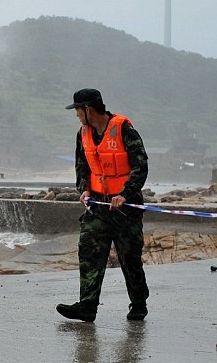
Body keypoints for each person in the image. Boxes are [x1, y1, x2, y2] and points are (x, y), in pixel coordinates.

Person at [57, 88, 150, 322]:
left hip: (125, 208)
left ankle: (138, 303)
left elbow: (141, 165)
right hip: (97, 206)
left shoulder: (124, 129)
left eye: (78, 110)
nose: (77, 115)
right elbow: (82, 166)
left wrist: (126, 194)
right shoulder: (83, 133)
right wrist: (84, 189)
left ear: (88, 109)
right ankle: (87, 307)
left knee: (129, 257)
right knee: (89, 251)